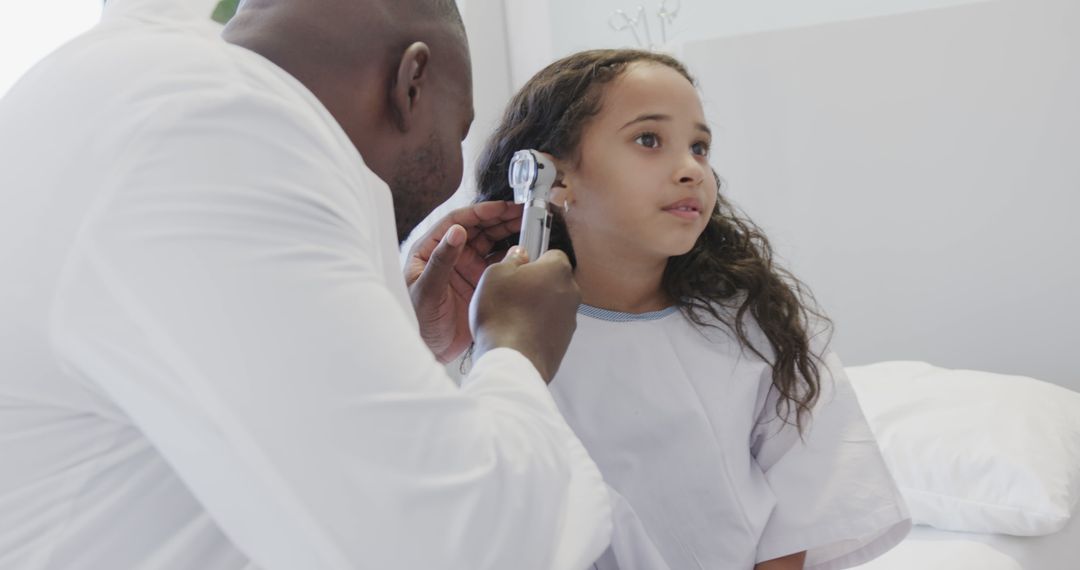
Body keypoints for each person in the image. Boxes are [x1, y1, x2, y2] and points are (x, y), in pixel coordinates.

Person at [0, 0, 613, 568]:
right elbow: (444, 542)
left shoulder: (116, 84)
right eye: (457, 131)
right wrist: (516, 349)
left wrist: (403, 335)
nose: (454, 175)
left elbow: (224, 400)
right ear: (411, 84)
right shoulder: (222, 129)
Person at [474, 49, 912, 570]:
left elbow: (804, 496)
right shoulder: (503, 338)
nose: (690, 170)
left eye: (700, 147)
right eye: (648, 140)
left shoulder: (754, 323)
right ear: (553, 177)